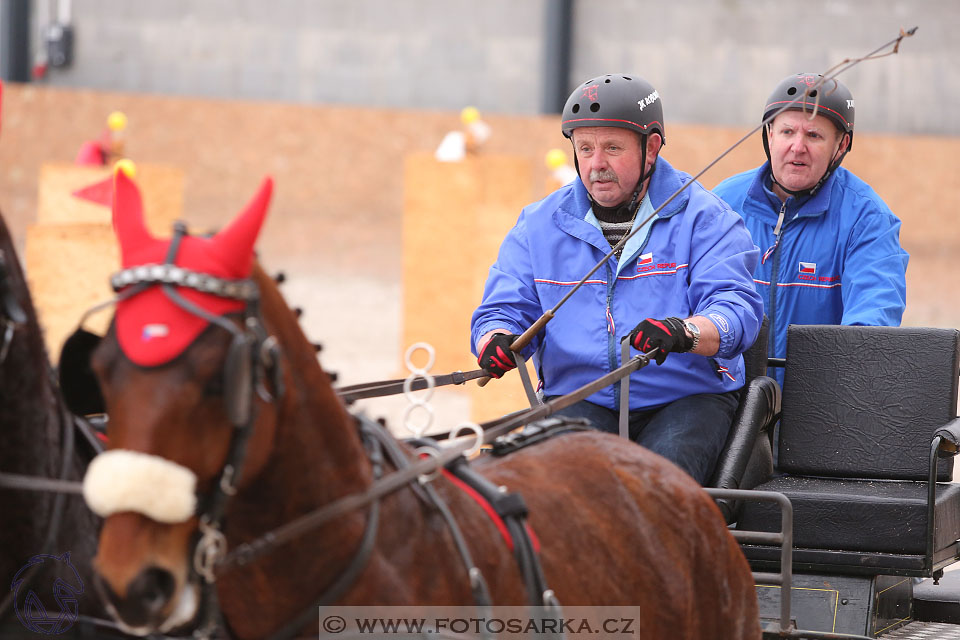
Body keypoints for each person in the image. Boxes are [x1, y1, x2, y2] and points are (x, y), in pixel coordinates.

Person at [471, 74, 763, 484]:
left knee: (654, 490)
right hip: (580, 397)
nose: (596, 164)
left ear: (652, 148)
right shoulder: (537, 225)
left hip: (685, 398)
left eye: (612, 148)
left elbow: (737, 310)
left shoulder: (706, 218)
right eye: (585, 149)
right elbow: (503, 309)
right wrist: (496, 338)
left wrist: (684, 331)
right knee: (554, 490)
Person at [713, 73, 909, 385]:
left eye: (814, 136)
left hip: (818, 401)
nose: (797, 146)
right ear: (770, 135)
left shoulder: (868, 218)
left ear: (841, 144)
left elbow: (872, 319)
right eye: (787, 131)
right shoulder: (722, 201)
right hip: (728, 394)